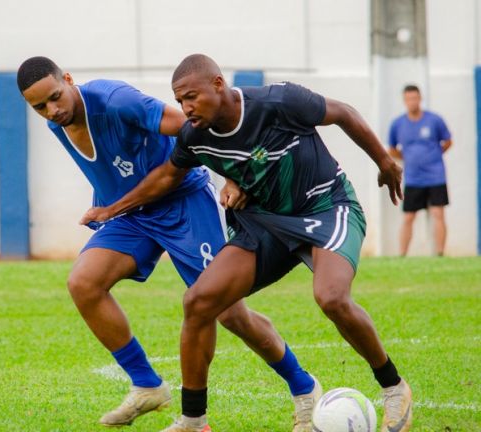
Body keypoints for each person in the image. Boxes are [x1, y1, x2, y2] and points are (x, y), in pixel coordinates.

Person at [81, 54, 413, 432]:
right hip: (266, 222)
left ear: (218, 85)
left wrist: (384, 162)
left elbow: (344, 113)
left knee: (332, 297)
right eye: (179, 101)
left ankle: (394, 387)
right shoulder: (195, 134)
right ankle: (194, 419)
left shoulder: (279, 102)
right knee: (199, 302)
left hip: (325, 206)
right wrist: (112, 209)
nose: (186, 108)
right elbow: (168, 176)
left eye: (192, 97)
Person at [16, 56, 322, 431]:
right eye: (39, 107)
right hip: (130, 213)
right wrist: (106, 204)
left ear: (67, 78)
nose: (52, 110)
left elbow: (191, 127)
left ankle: (303, 387)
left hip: (183, 202)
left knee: (229, 313)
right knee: (84, 282)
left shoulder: (115, 100)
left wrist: (233, 175)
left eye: (55, 97)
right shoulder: (58, 124)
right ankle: (147, 386)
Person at [389, 84, 452, 256]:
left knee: (437, 213)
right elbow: (391, 149)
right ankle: (402, 255)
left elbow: (447, 141)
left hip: (435, 176)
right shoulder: (398, 124)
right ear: (404, 100)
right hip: (413, 178)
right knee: (408, 216)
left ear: (420, 98)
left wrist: (432, 156)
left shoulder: (434, 120)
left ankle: (440, 253)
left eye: (415, 98)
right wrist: (409, 158)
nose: (412, 102)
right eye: (408, 99)